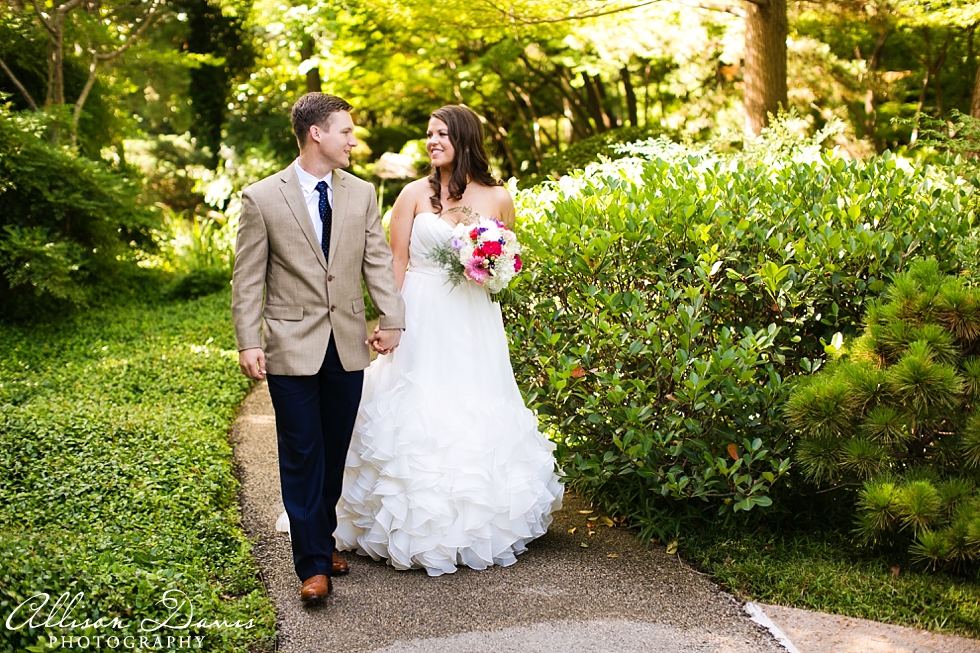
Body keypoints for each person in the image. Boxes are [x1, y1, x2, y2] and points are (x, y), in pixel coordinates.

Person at [333, 104, 564, 576]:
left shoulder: (497, 197)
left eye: (441, 133)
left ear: (464, 138)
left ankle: (478, 524)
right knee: (414, 403)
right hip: (420, 310)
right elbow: (395, 261)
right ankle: (403, 522)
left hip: (472, 318)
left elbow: (506, 262)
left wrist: (490, 267)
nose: (432, 141)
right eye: (429, 133)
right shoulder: (412, 194)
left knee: (474, 403)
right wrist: (388, 317)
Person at [233, 92, 406, 602]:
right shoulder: (262, 197)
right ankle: (312, 566)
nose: (354, 140)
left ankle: (321, 536)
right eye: (346, 132)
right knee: (302, 453)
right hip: (289, 344)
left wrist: (390, 318)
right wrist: (248, 341)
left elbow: (376, 261)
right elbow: (247, 279)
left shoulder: (362, 193)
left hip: (348, 344)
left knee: (332, 454)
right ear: (317, 134)